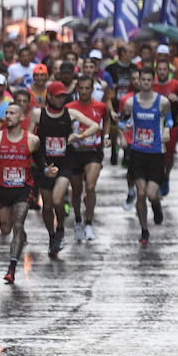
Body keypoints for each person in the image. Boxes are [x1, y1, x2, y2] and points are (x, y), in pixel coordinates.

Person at [30, 81, 100, 258]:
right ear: (50, 96)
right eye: (58, 96)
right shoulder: (38, 114)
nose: (61, 99)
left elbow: (95, 126)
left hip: (65, 164)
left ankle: (60, 228)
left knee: (56, 199)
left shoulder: (71, 113)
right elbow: (29, 137)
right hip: (45, 165)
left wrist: (79, 136)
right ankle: (52, 236)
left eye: (63, 96)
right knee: (46, 206)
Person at [0, 103, 52, 284]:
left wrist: (47, 170)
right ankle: (20, 235)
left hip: (23, 189)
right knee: (5, 229)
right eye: (6, 113)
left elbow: (40, 160)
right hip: (2, 189)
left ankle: (12, 268)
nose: (8, 116)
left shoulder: (32, 140)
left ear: (22, 117)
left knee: (18, 223)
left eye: (12, 113)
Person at [121, 69, 171, 245]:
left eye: (150, 79)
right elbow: (121, 121)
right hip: (137, 154)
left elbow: (170, 120)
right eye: (144, 79)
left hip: (156, 154)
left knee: (151, 194)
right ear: (139, 81)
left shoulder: (162, 102)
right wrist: (122, 134)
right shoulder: (130, 103)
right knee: (141, 193)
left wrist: (166, 129)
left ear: (153, 81)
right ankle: (144, 230)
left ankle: (156, 205)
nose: (147, 82)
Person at [66, 75, 107, 241]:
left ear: (92, 89)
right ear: (77, 89)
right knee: (76, 190)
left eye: (87, 88)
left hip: (93, 152)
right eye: (80, 88)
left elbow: (107, 120)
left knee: (90, 187)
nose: (83, 92)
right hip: (75, 153)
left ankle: (89, 224)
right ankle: (77, 221)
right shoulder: (69, 107)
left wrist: (107, 136)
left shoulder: (100, 106)